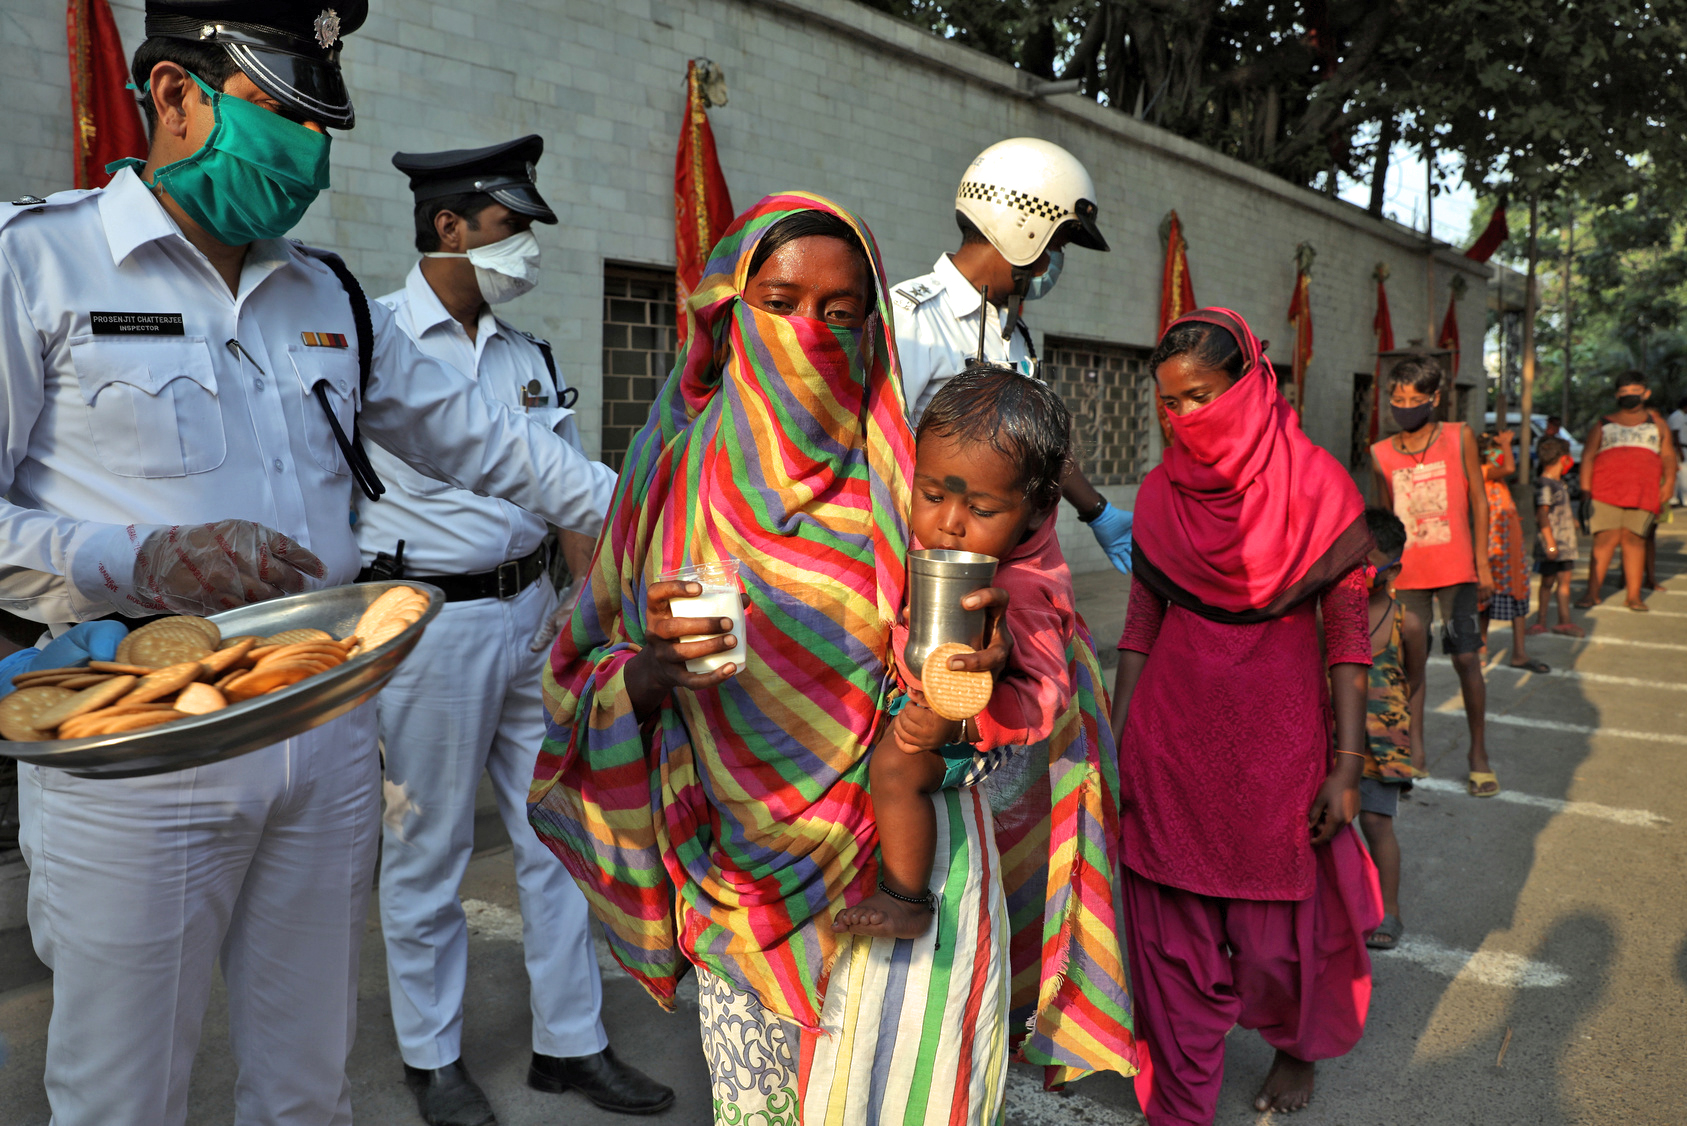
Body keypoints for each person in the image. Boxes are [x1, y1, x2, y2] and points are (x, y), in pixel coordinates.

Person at [0, 7, 618, 1123]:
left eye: (319, 123)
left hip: (323, 729)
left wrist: (677, 518)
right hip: (137, 739)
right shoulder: (37, 263)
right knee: (123, 1093)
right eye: (279, 115)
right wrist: (131, 555)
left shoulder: (325, 297)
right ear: (176, 95)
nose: (308, 154)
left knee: (307, 1084)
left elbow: (497, 447)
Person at [528, 194, 1134, 1123]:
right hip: (733, 881)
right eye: (780, 303)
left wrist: (985, 685)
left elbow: (1025, 685)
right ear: (728, 310)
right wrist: (645, 671)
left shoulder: (917, 474)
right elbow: (579, 672)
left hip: (903, 866)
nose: (810, 334)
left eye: (842, 314)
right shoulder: (669, 477)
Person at [357, 139, 669, 1124]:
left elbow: (572, 501)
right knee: (429, 847)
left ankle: (568, 1045)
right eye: (509, 226)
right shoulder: (374, 341)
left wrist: (589, 617)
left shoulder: (529, 355)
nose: (525, 246)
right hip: (428, 628)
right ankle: (432, 1058)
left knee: (558, 839)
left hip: (536, 617)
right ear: (448, 226)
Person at [1114, 308, 1382, 1124]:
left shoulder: (1321, 491)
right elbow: (1139, 627)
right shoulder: (1162, 494)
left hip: (1278, 747)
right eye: (1167, 403)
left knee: (1273, 943)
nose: (1181, 418)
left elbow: (1345, 637)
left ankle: (1296, 1046)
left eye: (1197, 396)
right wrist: (1118, 744)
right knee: (1171, 938)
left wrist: (1344, 765)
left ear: (1250, 386)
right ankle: (1181, 1101)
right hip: (1171, 739)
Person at [834, 365, 1077, 939]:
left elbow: (1045, 699)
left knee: (896, 767)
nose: (948, 525)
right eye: (933, 495)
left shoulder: (1022, 590)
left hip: (982, 737)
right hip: (919, 700)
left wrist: (955, 722)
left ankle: (905, 898)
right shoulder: (921, 543)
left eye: (983, 512)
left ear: (1038, 510)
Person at [891, 138, 1136, 574]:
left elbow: (1037, 448)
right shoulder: (913, 319)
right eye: (1056, 242)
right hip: (933, 559)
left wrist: (1098, 511)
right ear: (1020, 227)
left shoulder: (1012, 332)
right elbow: (882, 453)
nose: (1054, 260)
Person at [1369, 356, 1495, 797]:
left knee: (1465, 658)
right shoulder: (1380, 453)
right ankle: (1412, 755)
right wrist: (1382, 575)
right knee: (1409, 666)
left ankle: (1478, 755)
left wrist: (1482, 563)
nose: (1403, 407)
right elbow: (1386, 519)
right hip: (1409, 575)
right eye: (1396, 399)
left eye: (1414, 399)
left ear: (1434, 399)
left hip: (1458, 570)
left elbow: (1480, 501)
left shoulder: (1460, 437)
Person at [1357, 507, 1413, 952]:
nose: (1360, 570)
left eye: (1369, 562)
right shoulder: (1329, 616)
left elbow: (1416, 682)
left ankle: (1389, 910)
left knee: (1377, 823)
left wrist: (1418, 745)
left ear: (1394, 568)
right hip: (1333, 738)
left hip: (1383, 744)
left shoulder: (1406, 622)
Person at [1575, 372, 1678, 611]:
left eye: (1635, 392)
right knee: (1604, 541)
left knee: (1635, 541)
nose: (1630, 396)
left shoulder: (1657, 424)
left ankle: (1634, 596)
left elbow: (1668, 456)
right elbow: (1588, 457)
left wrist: (1669, 484)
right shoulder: (1603, 424)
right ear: (1616, 395)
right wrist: (1585, 490)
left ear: (1646, 393)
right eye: (1625, 393)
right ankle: (1592, 594)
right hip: (1604, 494)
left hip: (1644, 494)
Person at [1478, 430, 1548, 672]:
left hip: (1510, 553)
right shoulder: (1481, 473)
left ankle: (1519, 653)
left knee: (1518, 598)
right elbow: (1509, 466)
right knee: (1483, 602)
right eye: (1494, 450)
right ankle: (1481, 650)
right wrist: (1506, 444)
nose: (1499, 455)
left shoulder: (1497, 482)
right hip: (1492, 551)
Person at [1529, 437, 1584, 637]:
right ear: (1563, 458)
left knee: (1564, 583)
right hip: (1553, 545)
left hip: (1566, 545)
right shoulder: (1546, 484)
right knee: (1547, 583)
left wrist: (1574, 523)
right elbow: (1542, 513)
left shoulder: (1558, 483)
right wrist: (1550, 543)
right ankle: (1541, 620)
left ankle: (1564, 621)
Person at [1669, 396, 1687, 506]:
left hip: (1683, 447)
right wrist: (1679, 451)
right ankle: (1680, 499)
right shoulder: (1677, 416)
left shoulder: (1683, 416)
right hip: (1679, 447)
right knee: (1683, 473)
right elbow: (1674, 433)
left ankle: (1678, 498)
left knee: (1681, 474)